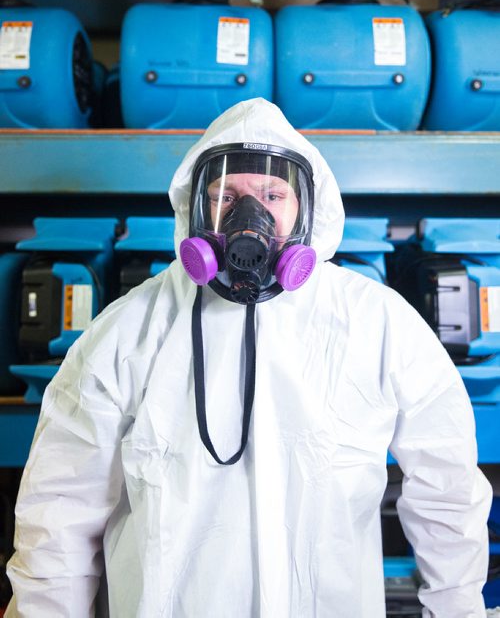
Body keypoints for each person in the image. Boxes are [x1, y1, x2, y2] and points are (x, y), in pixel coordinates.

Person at [6, 97, 492, 617]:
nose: (248, 216)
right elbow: (58, 513)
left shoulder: (376, 323)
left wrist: (457, 608)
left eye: (271, 194)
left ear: (307, 208)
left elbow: (448, 488)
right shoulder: (130, 330)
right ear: (195, 209)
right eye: (226, 196)